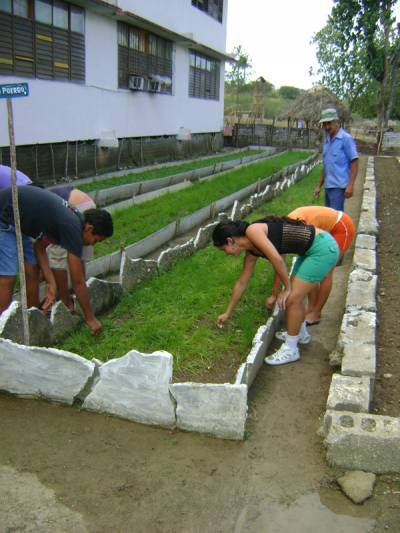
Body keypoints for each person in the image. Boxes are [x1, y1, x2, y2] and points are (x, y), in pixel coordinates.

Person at [212, 217, 339, 366]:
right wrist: (227, 312)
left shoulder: (253, 231)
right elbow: (241, 283)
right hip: (309, 251)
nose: (225, 253)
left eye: (223, 249)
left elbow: (277, 259)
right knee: (292, 297)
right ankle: (301, 334)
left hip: (322, 248)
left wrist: (287, 289)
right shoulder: (251, 251)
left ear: (230, 241)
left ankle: (291, 349)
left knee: (291, 299)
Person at [0, 186, 113, 335]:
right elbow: (78, 281)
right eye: (95, 240)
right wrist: (90, 318)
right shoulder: (72, 227)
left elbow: (39, 247)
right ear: (89, 228)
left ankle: (33, 324)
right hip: (5, 217)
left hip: (21, 222)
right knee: (8, 277)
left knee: (33, 269)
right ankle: (3, 331)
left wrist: (51, 283)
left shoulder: (74, 220)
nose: (93, 244)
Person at [267, 206, 355, 325]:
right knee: (309, 270)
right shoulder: (284, 230)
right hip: (322, 232)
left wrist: (277, 293)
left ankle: (316, 313)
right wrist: (274, 293)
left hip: (342, 226)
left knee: (326, 272)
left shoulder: (297, 225)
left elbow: (280, 260)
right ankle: (311, 308)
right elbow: (279, 262)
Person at [47, 186, 96, 311]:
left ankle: (66, 303)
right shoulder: (46, 195)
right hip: (88, 204)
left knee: (58, 256)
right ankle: (82, 295)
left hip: (73, 208)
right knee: (80, 253)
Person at [314, 108, 359, 211]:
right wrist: (319, 186)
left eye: (329, 123)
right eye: (324, 124)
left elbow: (354, 162)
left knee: (336, 218)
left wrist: (351, 185)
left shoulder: (345, 139)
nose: (327, 127)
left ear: (337, 122)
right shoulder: (327, 140)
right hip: (328, 186)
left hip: (339, 186)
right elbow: (326, 165)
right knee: (329, 217)